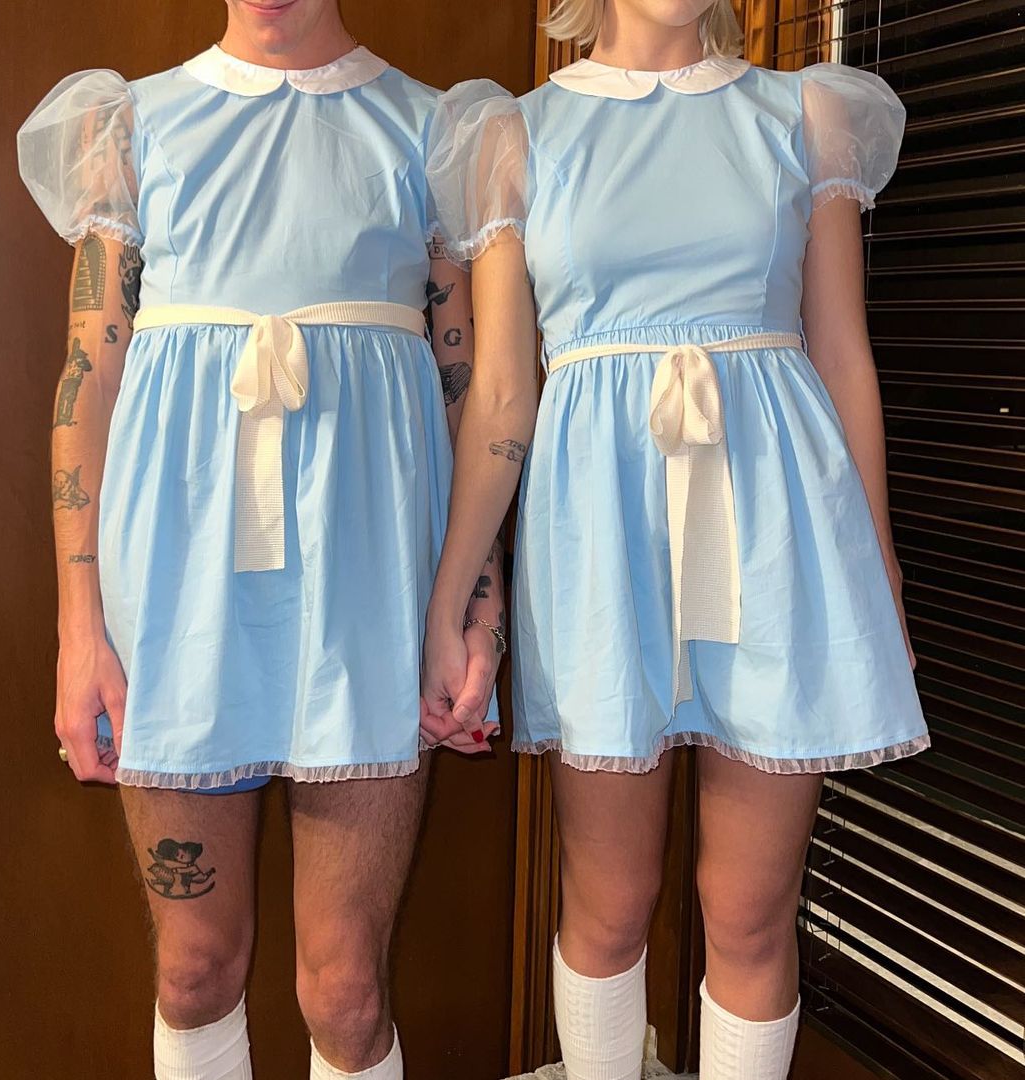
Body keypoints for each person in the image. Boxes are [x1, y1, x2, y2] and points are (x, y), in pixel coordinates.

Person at [421, 0, 929, 1077]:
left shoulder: (805, 114)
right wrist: (454, 593)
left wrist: (876, 564)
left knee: (748, 912)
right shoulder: (515, 133)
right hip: (599, 539)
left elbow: (843, 353)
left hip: (782, 533)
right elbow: (503, 391)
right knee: (609, 903)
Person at [18, 2, 502, 1077]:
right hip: (175, 592)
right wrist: (78, 630)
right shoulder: (132, 128)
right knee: (194, 968)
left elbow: (468, 390)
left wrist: (479, 608)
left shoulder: (431, 131)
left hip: (369, 595)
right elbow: (87, 383)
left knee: (346, 987)